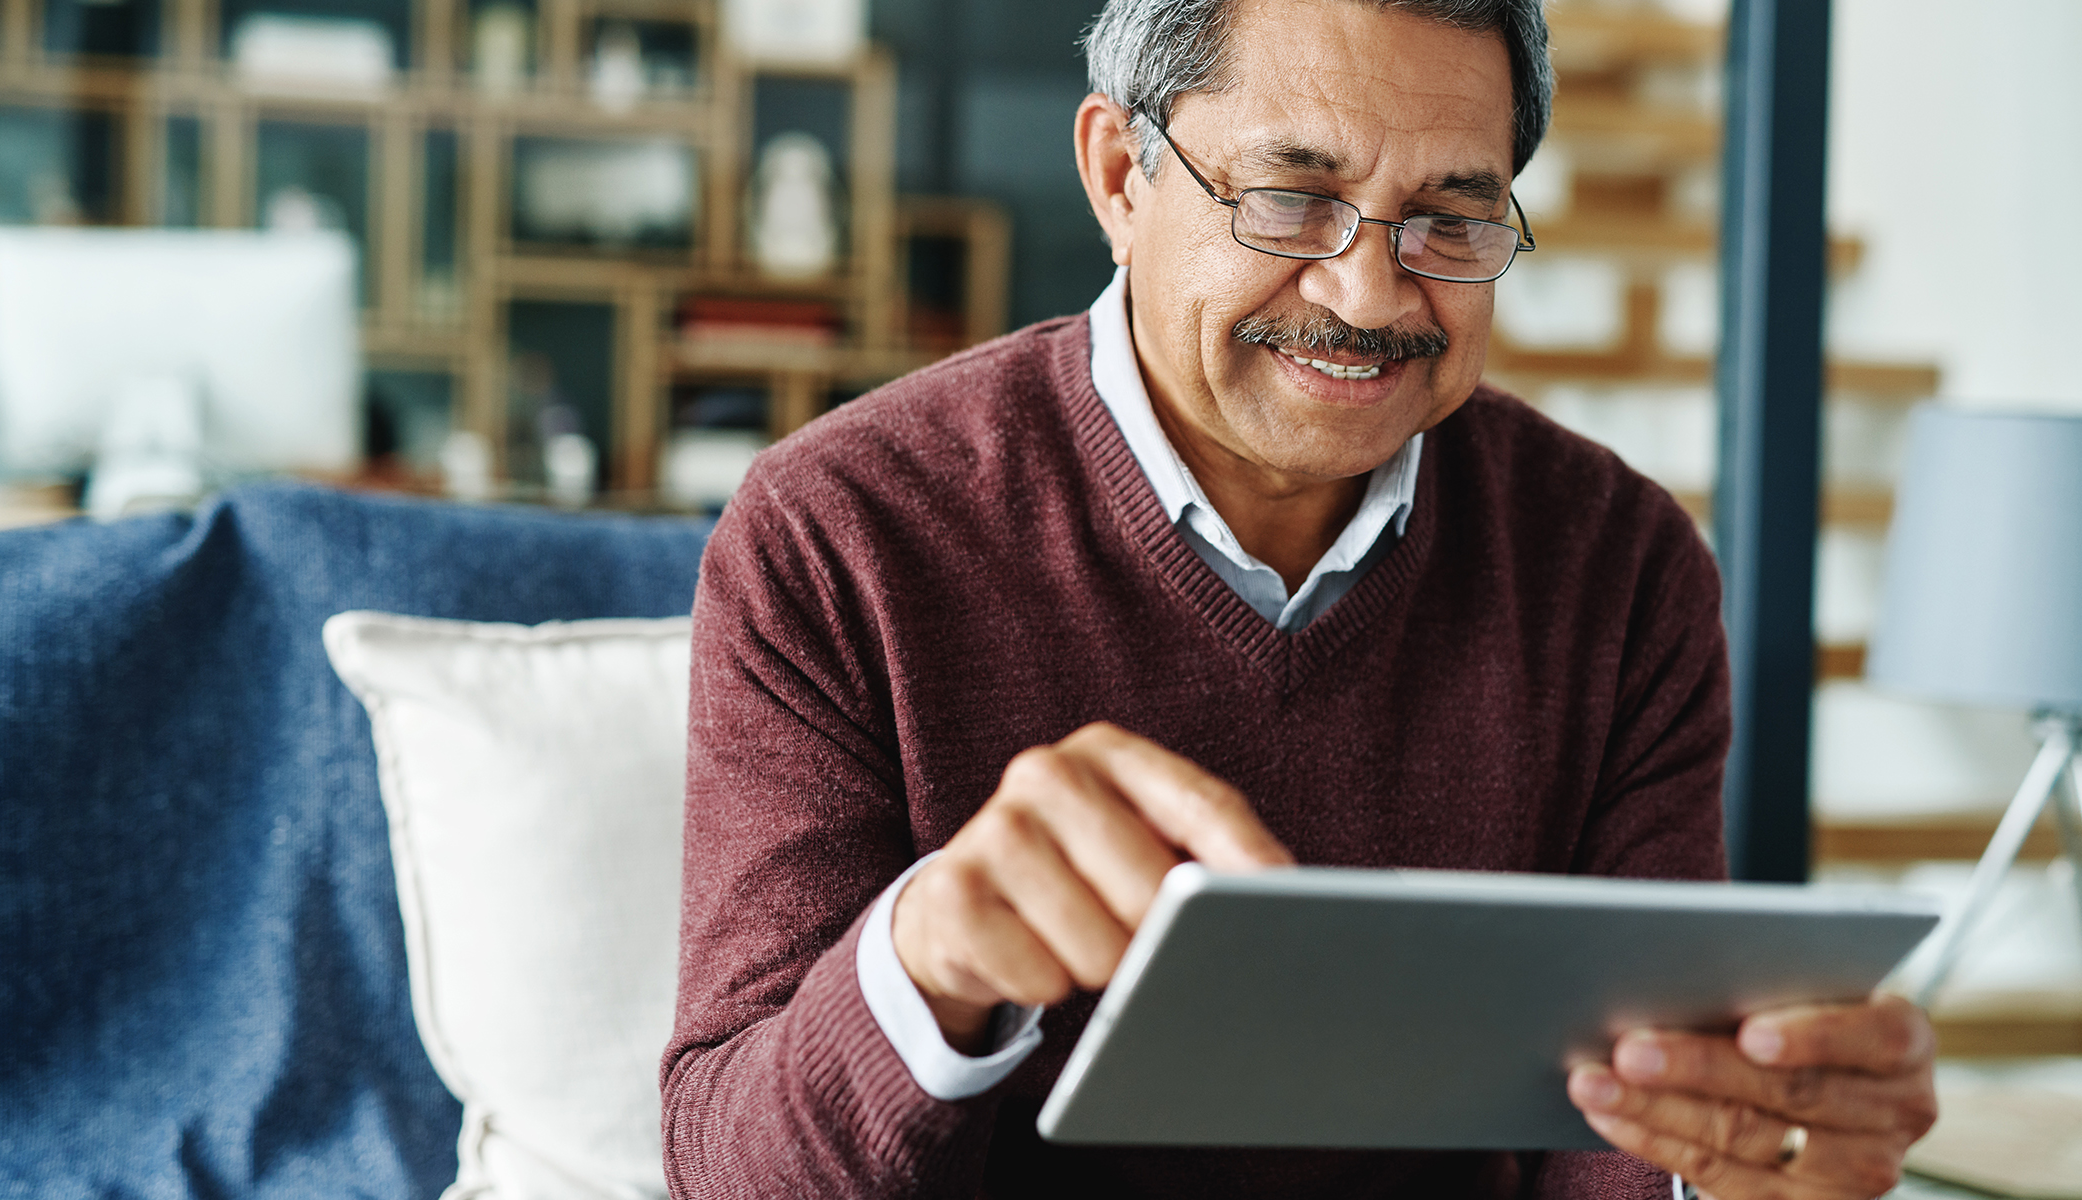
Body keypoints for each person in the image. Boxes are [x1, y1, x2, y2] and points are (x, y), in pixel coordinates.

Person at [660, 0, 1938, 1196]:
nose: (1367, 296)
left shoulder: (1617, 565)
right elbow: (725, 1166)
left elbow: (1616, 1131)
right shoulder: (838, 533)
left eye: (1451, 218)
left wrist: (1736, 1159)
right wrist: (929, 961)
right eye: (1291, 197)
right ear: (1118, 174)